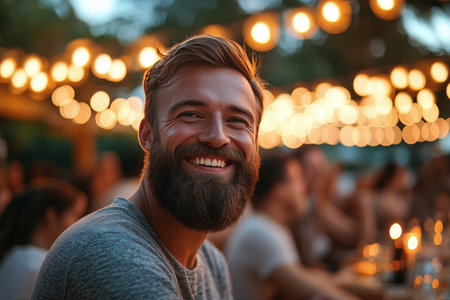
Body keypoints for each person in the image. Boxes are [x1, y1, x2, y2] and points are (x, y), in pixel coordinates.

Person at [32, 35, 264, 299]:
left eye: (237, 120)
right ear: (147, 134)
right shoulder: (109, 251)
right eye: (191, 114)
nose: (217, 136)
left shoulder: (211, 263)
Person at [226, 152, 358, 300]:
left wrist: (340, 279)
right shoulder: (261, 231)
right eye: (297, 179)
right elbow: (304, 287)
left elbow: (303, 275)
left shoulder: (268, 226)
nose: (304, 187)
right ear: (279, 190)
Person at [0, 179, 87, 300]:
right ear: (50, 215)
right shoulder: (40, 265)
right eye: (74, 215)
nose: (79, 223)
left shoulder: (15, 256)